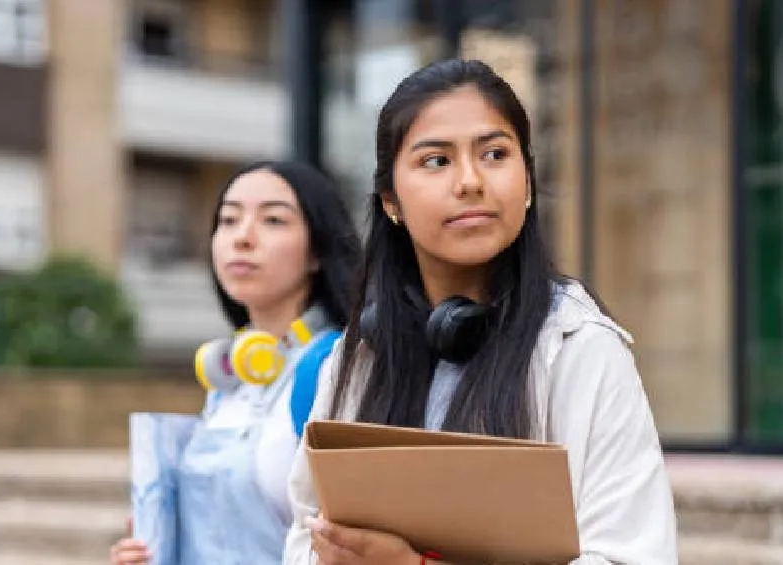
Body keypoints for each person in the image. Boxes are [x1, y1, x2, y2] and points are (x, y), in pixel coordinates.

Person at [283, 59, 678, 564]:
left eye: (494, 154)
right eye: (436, 161)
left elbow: (632, 556)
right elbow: (303, 537)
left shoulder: (581, 347)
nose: (470, 181)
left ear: (528, 184)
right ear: (390, 201)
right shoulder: (359, 356)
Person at [111, 160, 363, 565]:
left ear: (318, 251)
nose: (242, 237)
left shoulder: (337, 368)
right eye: (228, 220)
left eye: (273, 220)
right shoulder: (228, 381)